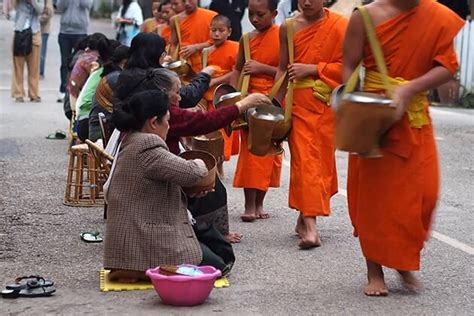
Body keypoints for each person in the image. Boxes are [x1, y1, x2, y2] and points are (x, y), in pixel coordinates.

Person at [343, 0, 464, 296]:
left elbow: (448, 66)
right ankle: (374, 270)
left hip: (414, 116)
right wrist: (358, 108)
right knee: (376, 200)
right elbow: (348, 65)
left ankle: (402, 260)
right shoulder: (365, 17)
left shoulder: (436, 15)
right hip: (376, 119)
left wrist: (409, 88)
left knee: (424, 196)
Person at [104, 89, 225, 282]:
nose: (169, 126)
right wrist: (202, 161)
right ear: (153, 122)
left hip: (133, 238)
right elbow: (193, 172)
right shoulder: (148, 144)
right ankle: (134, 269)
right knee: (219, 264)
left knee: (212, 255)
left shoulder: (132, 138)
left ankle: (130, 269)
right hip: (142, 242)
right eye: (167, 121)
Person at [274, 0, 347, 249]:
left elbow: (350, 68)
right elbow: (283, 68)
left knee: (320, 164)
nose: (306, 2)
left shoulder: (340, 25)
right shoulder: (288, 27)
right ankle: (311, 228)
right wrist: (274, 104)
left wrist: (314, 68)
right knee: (305, 161)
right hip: (298, 104)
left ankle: (303, 217)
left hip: (326, 104)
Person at [231, 0, 282, 222]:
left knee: (270, 153)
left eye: (260, 14)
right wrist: (233, 97)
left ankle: (260, 202)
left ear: (274, 13)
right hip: (250, 100)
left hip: (274, 100)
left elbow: (286, 71)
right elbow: (237, 68)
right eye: (251, 14)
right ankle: (249, 204)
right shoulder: (246, 39)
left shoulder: (284, 37)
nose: (254, 19)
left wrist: (263, 68)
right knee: (250, 154)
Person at [201, 15, 240, 166]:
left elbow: (236, 71)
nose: (216, 34)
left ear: (229, 32)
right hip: (209, 97)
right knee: (212, 131)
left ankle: (220, 161)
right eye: (213, 30)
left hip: (226, 96)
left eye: (221, 30)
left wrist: (215, 81)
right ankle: (215, 160)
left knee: (224, 131)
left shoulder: (236, 48)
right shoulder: (206, 52)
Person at [75, 40, 121, 142]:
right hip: (86, 123)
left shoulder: (103, 72)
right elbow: (85, 102)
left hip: (87, 121)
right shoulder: (108, 76)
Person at [89, 45, 130, 142]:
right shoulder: (117, 78)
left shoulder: (113, 74)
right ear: (125, 62)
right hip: (100, 133)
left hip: (96, 128)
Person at [56, 0, 93, 103]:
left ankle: (78, 90)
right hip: (64, 31)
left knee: (79, 63)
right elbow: (59, 7)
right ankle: (63, 90)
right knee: (64, 62)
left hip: (80, 31)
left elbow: (87, 5)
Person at [8, 0, 44, 103]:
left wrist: (32, 1)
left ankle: (34, 93)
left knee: (34, 66)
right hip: (20, 30)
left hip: (34, 32)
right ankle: (18, 93)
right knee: (18, 66)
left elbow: (40, 10)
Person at [169, 0, 217, 73]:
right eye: (184, 1)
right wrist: (172, 63)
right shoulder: (175, 20)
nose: (187, 3)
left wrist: (196, 47)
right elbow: (173, 44)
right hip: (185, 63)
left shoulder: (212, 16)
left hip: (208, 60)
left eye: (190, 0)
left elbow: (218, 41)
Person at [39, 0, 53, 79]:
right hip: (34, 29)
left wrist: (38, 18)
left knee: (42, 53)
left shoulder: (47, 1)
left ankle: (41, 72)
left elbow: (49, 13)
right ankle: (35, 71)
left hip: (44, 30)